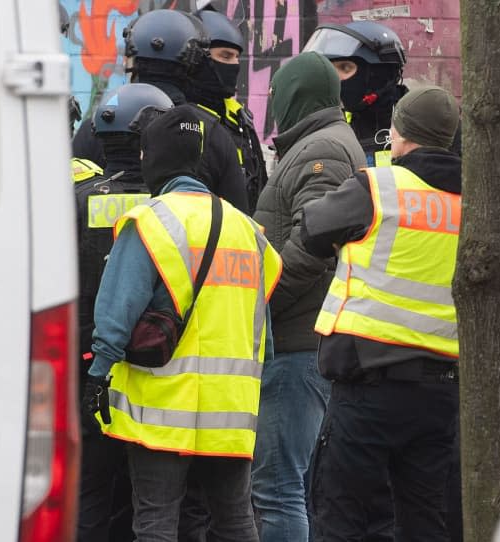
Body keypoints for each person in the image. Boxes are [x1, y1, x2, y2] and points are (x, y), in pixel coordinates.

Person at [82, 104, 282, 542]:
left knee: (156, 521)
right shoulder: (249, 232)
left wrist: (96, 378)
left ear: (152, 157)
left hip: (162, 409)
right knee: (234, 522)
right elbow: (263, 338)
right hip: (231, 411)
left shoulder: (152, 222)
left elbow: (114, 317)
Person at [301, 85, 462, 540]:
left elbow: (312, 227)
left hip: (368, 389)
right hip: (439, 393)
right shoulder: (475, 199)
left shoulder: (379, 186)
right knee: (424, 518)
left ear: (399, 134)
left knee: (341, 516)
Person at [250, 51, 366, 542]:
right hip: (302, 341)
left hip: (298, 345)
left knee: (278, 487)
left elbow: (313, 244)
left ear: (295, 95)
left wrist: (259, 302)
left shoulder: (325, 152)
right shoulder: (321, 144)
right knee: (292, 486)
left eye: (278, 95)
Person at [75, 82, 174, 542]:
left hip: (87, 364)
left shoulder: (74, 199)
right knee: (152, 495)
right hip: (157, 368)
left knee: (90, 487)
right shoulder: (171, 209)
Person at [73, 9, 249, 213]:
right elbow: (238, 216)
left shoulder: (96, 125)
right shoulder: (211, 131)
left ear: (132, 56)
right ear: (193, 62)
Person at [186, 5, 268, 214]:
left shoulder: (239, 119)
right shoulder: (179, 119)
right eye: (225, 56)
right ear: (199, 58)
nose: (234, 65)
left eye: (236, 58)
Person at [302, 21, 408, 167]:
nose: (335, 79)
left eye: (345, 67)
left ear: (380, 73)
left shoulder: (417, 124)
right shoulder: (333, 124)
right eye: (331, 70)